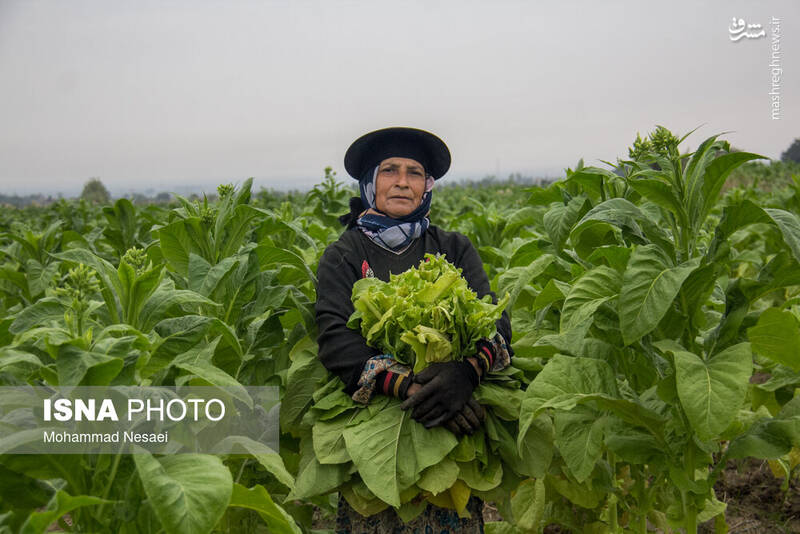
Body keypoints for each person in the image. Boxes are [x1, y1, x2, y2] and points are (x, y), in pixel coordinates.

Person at [315, 127, 512, 534]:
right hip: (378, 424)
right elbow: (336, 339)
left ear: (428, 186)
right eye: (389, 170)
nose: (402, 181)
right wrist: (409, 387)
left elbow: (496, 322)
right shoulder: (344, 255)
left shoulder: (454, 247)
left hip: (454, 431)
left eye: (414, 172)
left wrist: (466, 374)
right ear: (370, 183)